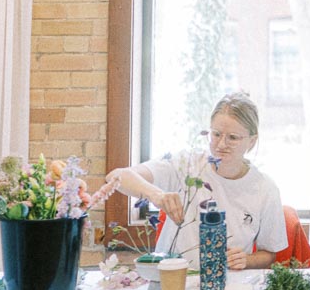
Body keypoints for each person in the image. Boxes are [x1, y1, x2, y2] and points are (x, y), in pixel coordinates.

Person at [106, 92, 288, 270]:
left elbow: (269, 254)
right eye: (216, 134)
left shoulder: (265, 188)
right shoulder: (187, 164)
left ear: (252, 141)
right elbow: (117, 177)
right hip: (173, 279)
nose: (221, 144)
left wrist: (247, 260)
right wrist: (156, 195)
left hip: (226, 284)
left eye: (233, 138)